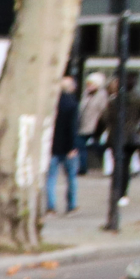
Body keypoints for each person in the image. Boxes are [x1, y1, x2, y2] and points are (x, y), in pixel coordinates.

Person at [47, 74, 81, 214]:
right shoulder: (72, 104)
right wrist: (73, 146)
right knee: (71, 177)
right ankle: (71, 204)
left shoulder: (52, 104)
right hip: (68, 147)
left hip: (53, 146)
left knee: (51, 178)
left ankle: (51, 205)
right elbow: (72, 127)